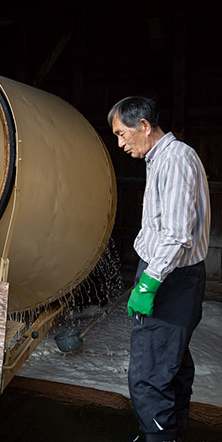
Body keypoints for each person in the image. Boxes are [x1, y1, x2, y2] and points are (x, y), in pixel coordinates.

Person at [107, 96, 211, 442]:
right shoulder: (160, 159)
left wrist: (149, 282)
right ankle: (170, 435)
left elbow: (178, 233)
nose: (121, 144)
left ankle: (158, 437)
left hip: (170, 279)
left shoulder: (176, 160)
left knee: (149, 372)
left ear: (145, 127)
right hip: (167, 274)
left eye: (123, 134)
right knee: (173, 363)